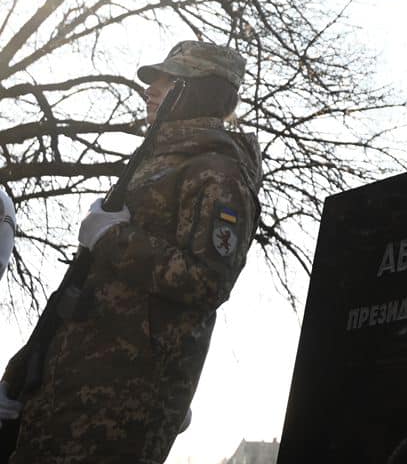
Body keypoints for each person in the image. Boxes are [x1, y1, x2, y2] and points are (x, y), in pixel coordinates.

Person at [0, 40, 262, 464]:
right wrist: (20, 374)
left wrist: (113, 239)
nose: (150, 90)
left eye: (169, 80)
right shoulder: (154, 162)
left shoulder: (217, 170)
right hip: (71, 388)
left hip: (121, 403)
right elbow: (82, 286)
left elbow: (207, 279)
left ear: (204, 91)